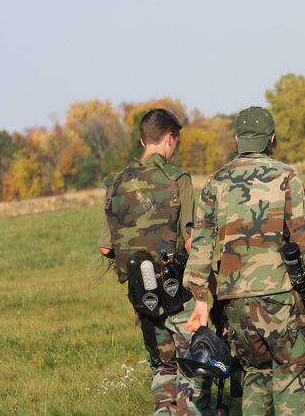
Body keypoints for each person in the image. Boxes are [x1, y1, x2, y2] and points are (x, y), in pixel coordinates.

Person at [184, 106, 305, 416]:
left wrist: (201, 303)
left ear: (237, 139)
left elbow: (201, 245)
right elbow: (303, 236)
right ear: (271, 139)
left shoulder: (214, 182)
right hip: (281, 295)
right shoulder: (288, 176)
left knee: (255, 376)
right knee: (288, 374)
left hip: (235, 301)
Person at [98, 108, 211, 415]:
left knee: (162, 369)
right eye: (175, 143)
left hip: (142, 299)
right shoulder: (178, 180)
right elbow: (191, 241)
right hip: (181, 296)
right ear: (169, 139)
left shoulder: (115, 184)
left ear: (141, 140)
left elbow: (106, 250)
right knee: (193, 370)